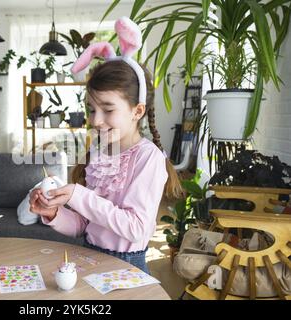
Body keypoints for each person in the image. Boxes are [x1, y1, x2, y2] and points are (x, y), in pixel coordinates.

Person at [29, 17, 183, 274]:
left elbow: (135, 227)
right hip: (89, 258)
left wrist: (78, 195)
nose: (96, 120)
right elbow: (83, 224)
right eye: (91, 109)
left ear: (137, 111)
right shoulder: (100, 154)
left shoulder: (148, 158)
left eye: (108, 109)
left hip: (126, 268)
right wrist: (54, 212)